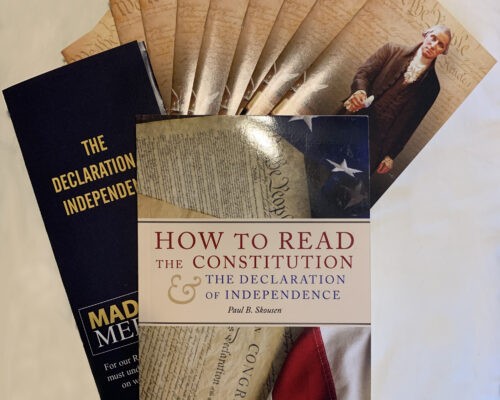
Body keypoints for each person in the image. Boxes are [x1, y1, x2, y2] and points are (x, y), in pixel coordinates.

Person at [341, 25, 452, 174]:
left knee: (346, 181)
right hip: (354, 120)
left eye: (441, 45)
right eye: (433, 38)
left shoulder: (433, 87)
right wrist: (360, 92)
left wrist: (391, 155)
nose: (433, 45)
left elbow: (411, 125)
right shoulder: (391, 50)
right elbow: (363, 74)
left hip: (379, 144)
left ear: (443, 51)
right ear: (425, 35)